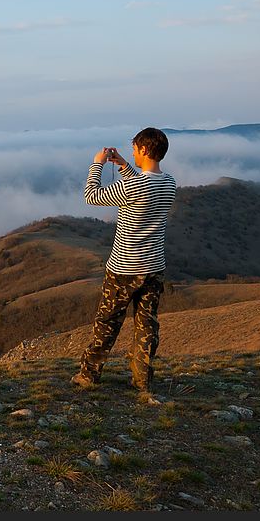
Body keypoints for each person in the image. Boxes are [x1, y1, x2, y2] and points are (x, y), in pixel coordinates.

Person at [72, 127, 177, 405]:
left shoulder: (133, 187)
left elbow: (91, 196)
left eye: (134, 149)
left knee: (107, 324)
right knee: (146, 325)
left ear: (143, 149)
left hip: (123, 270)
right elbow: (144, 185)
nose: (131, 152)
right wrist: (124, 166)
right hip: (153, 267)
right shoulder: (169, 183)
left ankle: (88, 375)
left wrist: (98, 163)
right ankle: (142, 380)